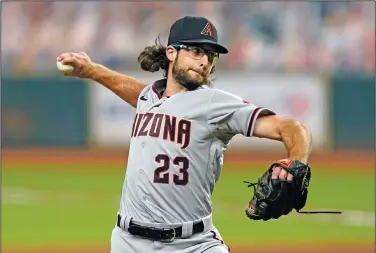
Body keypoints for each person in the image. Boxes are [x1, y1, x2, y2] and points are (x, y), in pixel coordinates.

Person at [57, 16, 312, 253]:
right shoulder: (149, 97)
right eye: (196, 50)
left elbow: (292, 128)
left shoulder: (214, 103)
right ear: (171, 52)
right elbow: (138, 92)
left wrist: (296, 161)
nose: (204, 61)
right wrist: (93, 71)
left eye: (210, 55)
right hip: (128, 242)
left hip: (193, 244)